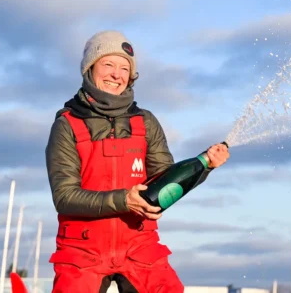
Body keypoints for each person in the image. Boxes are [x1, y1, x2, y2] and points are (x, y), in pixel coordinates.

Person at [45, 30, 230, 293]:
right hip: (82, 251)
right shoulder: (66, 126)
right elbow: (64, 196)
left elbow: (167, 182)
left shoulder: (146, 123)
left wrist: (206, 165)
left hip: (139, 246)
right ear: (89, 69)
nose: (116, 75)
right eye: (108, 64)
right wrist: (124, 200)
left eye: (124, 68)